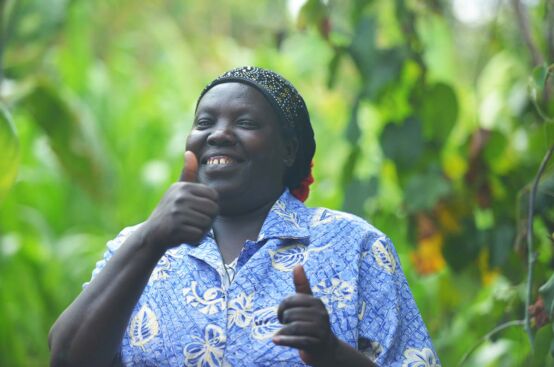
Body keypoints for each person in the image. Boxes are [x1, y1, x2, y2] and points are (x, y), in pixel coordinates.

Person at [48, 66, 440, 367]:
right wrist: (151, 238)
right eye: (205, 123)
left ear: (288, 150)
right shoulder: (136, 247)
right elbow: (66, 357)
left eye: (246, 123)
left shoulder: (355, 246)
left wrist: (333, 354)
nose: (218, 134)